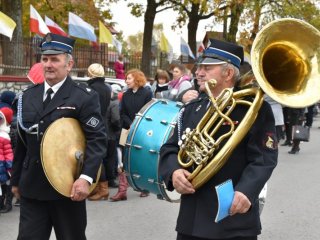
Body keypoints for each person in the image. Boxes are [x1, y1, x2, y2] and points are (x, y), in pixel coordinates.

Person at [159, 38, 278, 240]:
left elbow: (264, 159)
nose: (199, 72)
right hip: (192, 220)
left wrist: (245, 191)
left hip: (233, 218)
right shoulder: (192, 107)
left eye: (207, 67)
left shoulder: (252, 108)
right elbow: (169, 148)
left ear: (228, 73)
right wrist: (174, 172)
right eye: (199, 67)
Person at [11, 33, 107, 239]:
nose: (48, 64)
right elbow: (21, 141)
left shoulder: (84, 97)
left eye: (55, 59)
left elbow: (97, 140)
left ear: (69, 64)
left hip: (68, 188)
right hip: (33, 189)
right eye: (44, 59)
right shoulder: (27, 97)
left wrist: (86, 178)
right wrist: (16, 180)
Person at [110, 69, 152, 201]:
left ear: (137, 79)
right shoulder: (125, 94)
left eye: (129, 78)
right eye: (127, 78)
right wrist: (130, 123)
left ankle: (144, 187)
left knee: (141, 157)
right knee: (123, 158)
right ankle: (122, 190)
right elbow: (122, 113)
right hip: (126, 129)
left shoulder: (147, 93)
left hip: (142, 129)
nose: (126, 81)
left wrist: (137, 124)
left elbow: (148, 111)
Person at [86, 63, 111, 201]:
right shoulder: (106, 88)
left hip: (92, 124)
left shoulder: (91, 88)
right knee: (99, 156)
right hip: (103, 123)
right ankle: (98, 187)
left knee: (94, 157)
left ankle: (101, 189)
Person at [0, 107, 14, 214]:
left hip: (4, 165)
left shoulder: (5, 136)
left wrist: (9, 166)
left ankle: (7, 203)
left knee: (6, 185)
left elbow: (9, 152)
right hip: (3, 164)